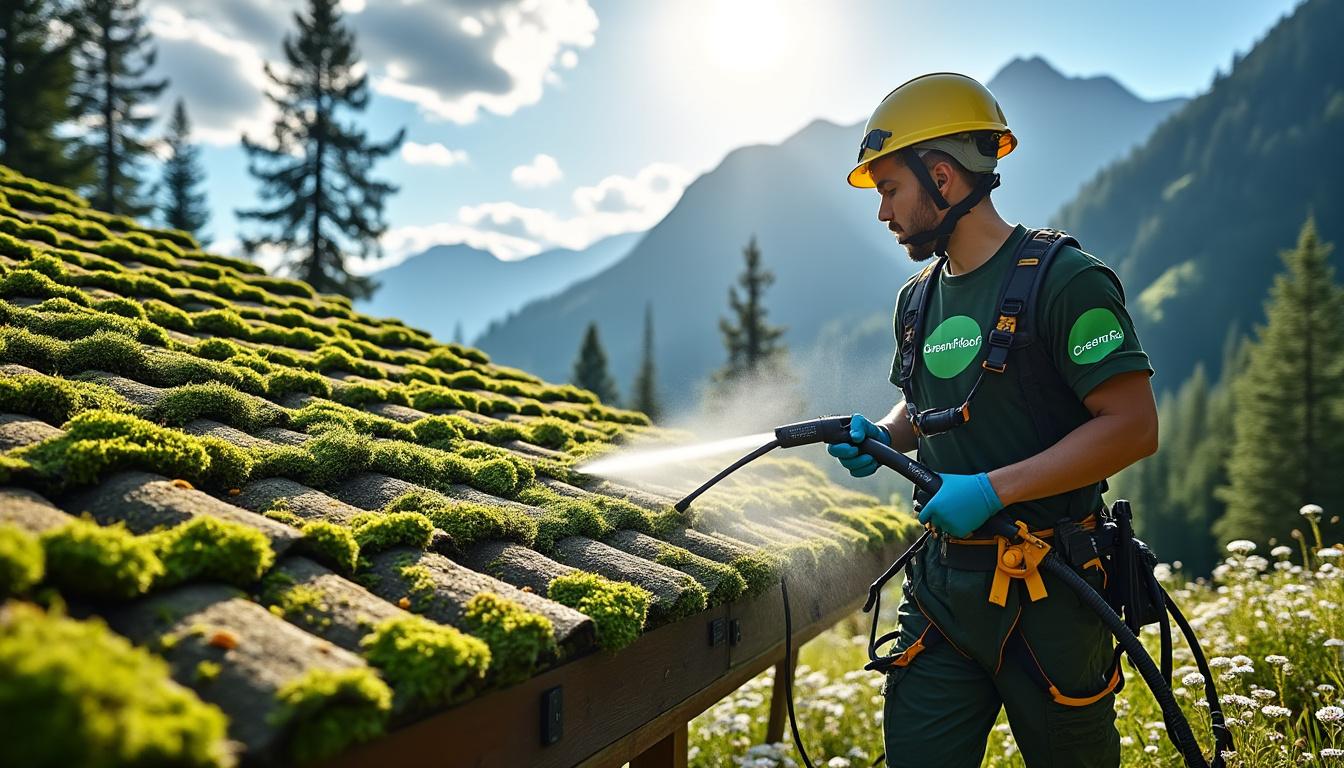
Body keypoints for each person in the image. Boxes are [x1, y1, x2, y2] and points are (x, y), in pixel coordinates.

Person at [830, 72, 1158, 767]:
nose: (882, 213)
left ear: (942, 176)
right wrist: (885, 436)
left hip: (1055, 594)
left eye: (890, 190)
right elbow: (923, 410)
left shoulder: (1067, 281)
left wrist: (994, 488)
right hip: (944, 595)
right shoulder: (917, 301)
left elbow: (1132, 425)